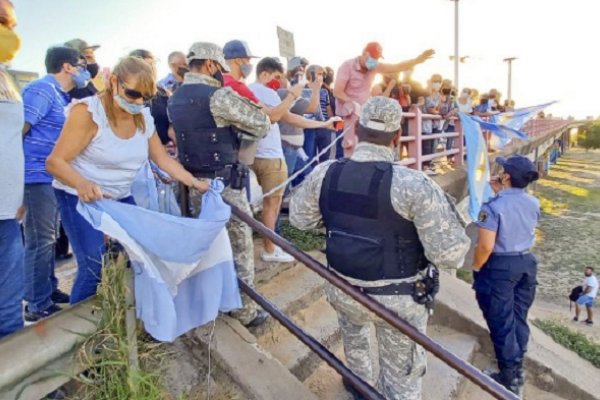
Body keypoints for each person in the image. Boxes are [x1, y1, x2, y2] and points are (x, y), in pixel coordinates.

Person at [290, 96, 469, 400]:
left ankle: (359, 385)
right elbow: (450, 255)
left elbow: (300, 220)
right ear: (398, 136)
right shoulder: (414, 184)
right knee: (402, 377)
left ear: (357, 129)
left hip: (342, 287)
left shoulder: (325, 173)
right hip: (396, 301)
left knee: (355, 338)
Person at [46, 56, 210, 304]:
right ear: (114, 82)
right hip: (79, 196)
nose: (139, 102)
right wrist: (81, 184)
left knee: (138, 254)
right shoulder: (88, 113)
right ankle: (81, 334)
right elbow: (55, 162)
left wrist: (194, 182)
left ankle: (125, 315)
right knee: (93, 264)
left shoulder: (143, 117)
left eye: (147, 97)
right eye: (133, 94)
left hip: (120, 196)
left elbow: (162, 160)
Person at [167, 42, 271, 327]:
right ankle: (244, 310)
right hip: (223, 186)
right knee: (239, 245)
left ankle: (206, 303)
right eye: (220, 71)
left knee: (203, 248)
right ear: (211, 65)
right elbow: (261, 123)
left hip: (190, 186)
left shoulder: (174, 97)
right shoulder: (219, 96)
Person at [22, 46, 88, 321]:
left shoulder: (60, 97)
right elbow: (18, 130)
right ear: (68, 66)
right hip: (35, 175)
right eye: (81, 64)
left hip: (50, 177)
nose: (85, 69)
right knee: (41, 239)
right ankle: (37, 303)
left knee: (47, 238)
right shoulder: (41, 90)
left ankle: (47, 290)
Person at [248, 57, 335, 263]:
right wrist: (294, 95)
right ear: (265, 74)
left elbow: (294, 114)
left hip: (261, 152)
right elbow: (284, 116)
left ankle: (274, 241)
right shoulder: (269, 92)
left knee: (274, 199)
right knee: (274, 201)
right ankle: (271, 246)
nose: (279, 81)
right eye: (277, 77)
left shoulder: (248, 90)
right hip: (271, 153)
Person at [472, 155, 541, 395]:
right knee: (518, 315)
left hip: (501, 266)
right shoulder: (533, 202)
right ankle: (518, 363)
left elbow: (485, 247)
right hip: (527, 262)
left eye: (503, 170)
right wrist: (502, 191)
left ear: (507, 176)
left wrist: (477, 267)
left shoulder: (492, 207)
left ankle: (509, 376)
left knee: (501, 319)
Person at [333, 42, 434, 156]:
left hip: (363, 119)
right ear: (365, 53)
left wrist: (417, 60)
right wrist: (352, 106)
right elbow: (337, 91)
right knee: (343, 151)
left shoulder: (374, 66)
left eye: (377, 59)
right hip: (344, 117)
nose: (374, 61)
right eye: (373, 58)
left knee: (363, 153)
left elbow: (397, 66)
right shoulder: (347, 66)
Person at [0, 0, 25, 338]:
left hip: (7, 209)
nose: (10, 31)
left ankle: (18, 380)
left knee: (8, 301)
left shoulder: (7, 77)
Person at [222, 39, 260, 104]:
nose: (249, 64)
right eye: (248, 60)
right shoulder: (236, 86)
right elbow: (270, 114)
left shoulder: (219, 80)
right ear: (238, 61)